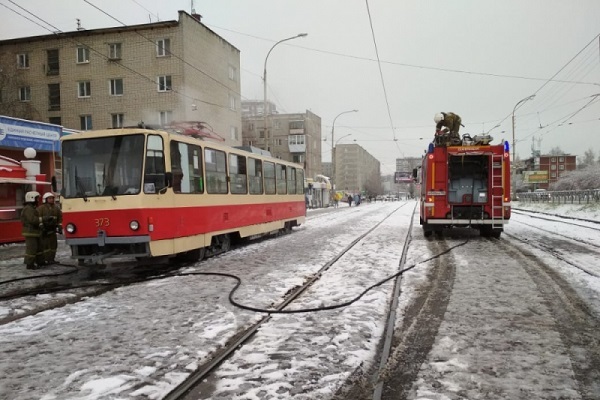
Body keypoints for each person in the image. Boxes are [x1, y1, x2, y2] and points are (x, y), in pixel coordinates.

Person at [37, 192, 63, 265]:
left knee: (53, 245)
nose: (51, 200)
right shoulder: (41, 208)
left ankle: (52, 259)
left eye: (52, 198)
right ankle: (46, 259)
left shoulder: (56, 208)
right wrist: (42, 226)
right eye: (49, 198)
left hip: (52, 229)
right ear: (45, 199)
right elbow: (38, 218)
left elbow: (60, 218)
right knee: (45, 245)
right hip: (44, 230)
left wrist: (60, 226)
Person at [21, 191, 45, 269]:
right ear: (31, 198)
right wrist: (43, 219)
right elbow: (33, 220)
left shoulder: (32, 208)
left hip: (35, 231)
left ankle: (40, 262)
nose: (38, 200)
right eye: (37, 198)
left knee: (39, 248)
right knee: (32, 248)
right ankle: (29, 264)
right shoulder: (28, 209)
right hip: (30, 232)